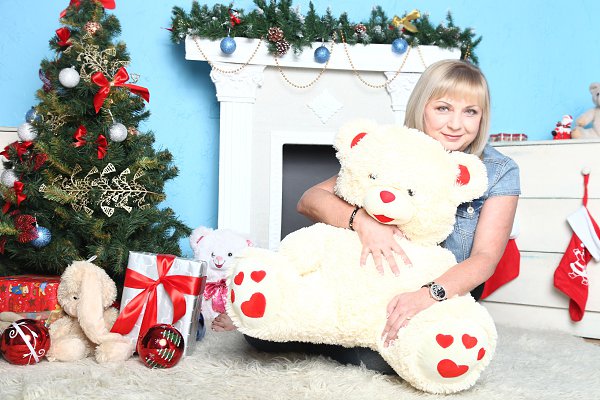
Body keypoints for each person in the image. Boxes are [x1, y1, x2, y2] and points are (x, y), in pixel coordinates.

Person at [247, 59, 520, 373]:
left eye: (470, 111)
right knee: (258, 333)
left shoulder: (498, 171)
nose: (456, 124)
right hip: (373, 278)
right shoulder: (392, 148)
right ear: (421, 107)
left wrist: (427, 294)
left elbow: (485, 258)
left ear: (482, 117)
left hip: (443, 289)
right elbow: (309, 199)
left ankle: (331, 336)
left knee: (380, 358)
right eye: (443, 108)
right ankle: (320, 327)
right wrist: (362, 221)